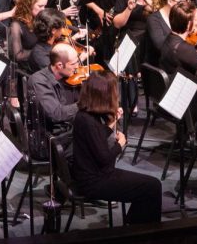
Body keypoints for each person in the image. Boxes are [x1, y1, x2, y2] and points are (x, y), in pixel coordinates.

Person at [69, 70, 162, 223]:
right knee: (152, 187)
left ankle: (135, 228)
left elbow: (95, 142)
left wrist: (111, 124)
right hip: (94, 181)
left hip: (93, 174)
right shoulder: (89, 121)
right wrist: (120, 144)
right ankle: (140, 233)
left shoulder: (84, 115)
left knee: (150, 186)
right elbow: (105, 158)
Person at [27, 42, 81, 144]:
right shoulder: (38, 81)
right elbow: (56, 114)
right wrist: (84, 104)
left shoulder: (65, 77)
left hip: (66, 130)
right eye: (74, 63)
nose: (77, 67)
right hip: (52, 140)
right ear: (59, 65)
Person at [8, 0, 50, 72]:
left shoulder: (40, 18)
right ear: (29, 5)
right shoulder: (16, 25)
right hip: (30, 68)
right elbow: (18, 56)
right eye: (40, 6)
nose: (43, 10)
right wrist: (42, 51)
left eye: (44, 6)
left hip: (44, 60)